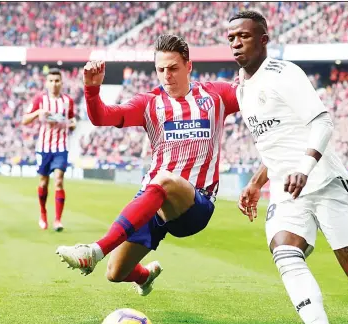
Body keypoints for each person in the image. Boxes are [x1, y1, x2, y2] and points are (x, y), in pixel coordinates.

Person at [227, 11, 348, 324]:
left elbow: (323, 122)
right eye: (231, 37)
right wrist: (256, 182)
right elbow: (276, 143)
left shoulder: (284, 74)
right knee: (285, 250)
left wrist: (305, 167)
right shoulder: (242, 89)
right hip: (287, 189)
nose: (235, 43)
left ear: (263, 40)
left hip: (322, 180)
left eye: (243, 36)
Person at [55, 34, 239, 296]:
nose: (167, 76)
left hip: (195, 205)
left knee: (163, 180)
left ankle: (94, 251)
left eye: (174, 68)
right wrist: (92, 89)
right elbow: (101, 117)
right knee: (115, 273)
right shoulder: (149, 103)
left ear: (189, 66)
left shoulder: (215, 96)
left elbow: (254, 97)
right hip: (154, 201)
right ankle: (145, 276)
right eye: (161, 70)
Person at [22, 68, 77, 232]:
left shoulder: (68, 101)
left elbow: (73, 120)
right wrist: (39, 112)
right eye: (51, 81)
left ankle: (58, 220)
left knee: (59, 180)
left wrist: (72, 124)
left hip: (61, 147)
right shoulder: (40, 100)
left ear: (62, 83)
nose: (54, 84)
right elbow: (25, 120)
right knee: (44, 182)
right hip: (44, 147)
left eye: (57, 81)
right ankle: (43, 213)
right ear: (47, 83)